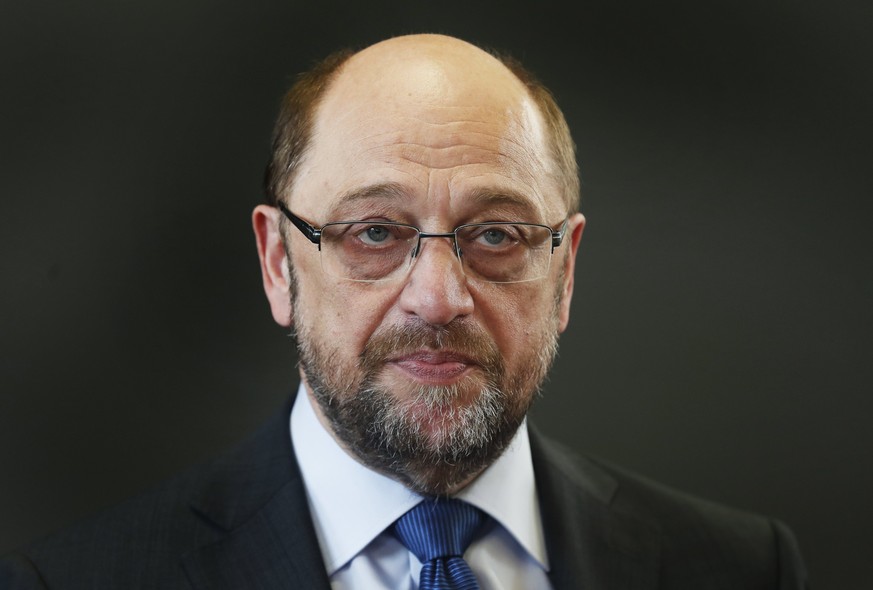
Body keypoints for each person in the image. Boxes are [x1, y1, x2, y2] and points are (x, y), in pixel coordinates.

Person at [0, 33, 808, 589]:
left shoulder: (740, 568)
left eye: (496, 234)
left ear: (563, 273)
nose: (436, 297)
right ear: (279, 263)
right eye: (374, 232)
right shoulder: (77, 580)